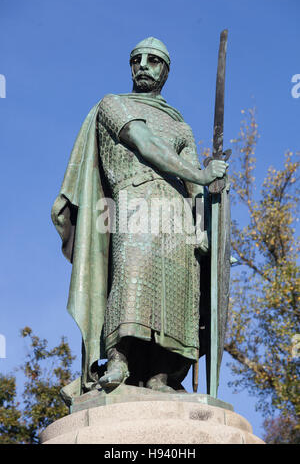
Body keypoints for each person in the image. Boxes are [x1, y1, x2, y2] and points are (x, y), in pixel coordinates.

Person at [52, 37, 227, 398]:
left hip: (177, 214)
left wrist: (203, 218)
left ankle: (161, 376)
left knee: (179, 293)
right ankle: (119, 359)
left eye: (154, 60)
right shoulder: (113, 105)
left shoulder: (181, 126)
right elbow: (145, 144)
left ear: (166, 70)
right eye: (138, 59)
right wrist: (202, 175)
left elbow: (194, 182)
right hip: (134, 201)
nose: (144, 65)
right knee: (133, 277)